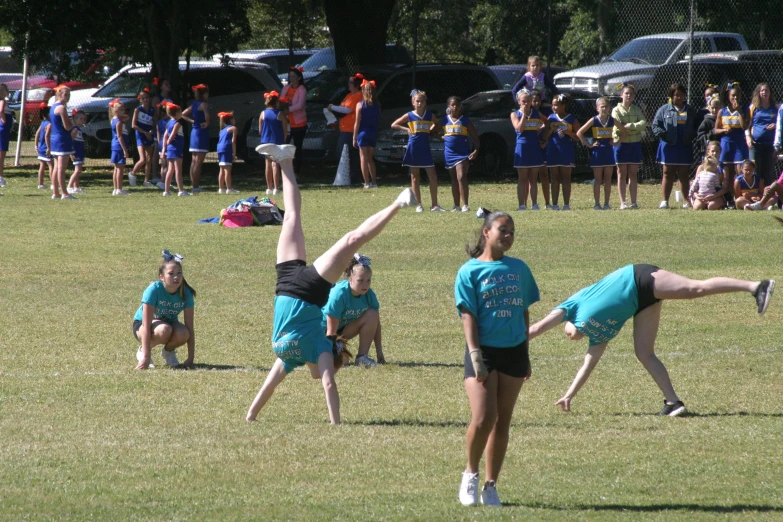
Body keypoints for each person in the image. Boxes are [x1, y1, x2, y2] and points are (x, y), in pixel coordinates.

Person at [246, 143, 418, 425]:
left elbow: (269, 386)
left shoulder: (288, 357)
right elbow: (328, 385)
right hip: (311, 289)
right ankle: (398, 202)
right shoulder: (321, 348)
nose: (320, 374)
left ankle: (285, 162)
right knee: (351, 241)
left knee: (290, 217)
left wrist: (251, 416)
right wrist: (335, 422)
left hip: (285, 282)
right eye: (327, 369)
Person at [528, 265, 774, 416]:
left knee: (693, 290)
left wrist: (506, 340)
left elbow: (538, 328)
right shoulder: (599, 337)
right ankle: (673, 402)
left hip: (636, 278)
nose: (570, 337)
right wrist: (569, 395)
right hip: (640, 304)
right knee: (644, 352)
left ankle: (755, 287)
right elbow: (587, 367)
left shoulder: (571, 307)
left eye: (567, 331)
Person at [455, 211, 539, 507]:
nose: (508, 235)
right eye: (503, 230)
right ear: (486, 232)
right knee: (483, 417)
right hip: (484, 351)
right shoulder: (469, 271)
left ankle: (491, 486)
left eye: (512, 231)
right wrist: (475, 354)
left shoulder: (519, 269)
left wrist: (526, 353)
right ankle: (470, 475)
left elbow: (524, 311)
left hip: (514, 351)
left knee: (502, 421)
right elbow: (468, 315)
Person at [134, 250, 196, 370]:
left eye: (179, 273)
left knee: (184, 333)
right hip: (143, 326)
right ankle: (142, 351)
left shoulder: (186, 293)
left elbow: (190, 328)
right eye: (171, 274)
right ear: (162, 277)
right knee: (164, 330)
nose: (176, 277)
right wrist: (146, 357)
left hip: (168, 323)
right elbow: (146, 326)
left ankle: (168, 352)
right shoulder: (153, 290)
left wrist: (190, 358)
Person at [322, 253, 385, 366]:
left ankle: (362, 357)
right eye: (360, 280)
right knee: (342, 363)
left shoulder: (369, 295)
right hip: (323, 332)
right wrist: (334, 349)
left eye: (368, 280)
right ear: (350, 279)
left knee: (372, 314)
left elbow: (376, 324)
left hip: (341, 331)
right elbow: (331, 331)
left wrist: (379, 352)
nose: (365, 284)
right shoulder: (339, 294)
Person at [391, 89, 443, 212]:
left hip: (425, 148)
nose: (419, 103)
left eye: (421, 101)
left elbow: (436, 125)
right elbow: (394, 124)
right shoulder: (409, 115)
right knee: (415, 176)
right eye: (417, 101)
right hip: (413, 147)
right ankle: (418, 204)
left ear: (425, 102)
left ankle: (435, 205)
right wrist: (406, 129)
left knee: (432, 176)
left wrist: (432, 131)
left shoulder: (430, 115)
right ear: (413, 102)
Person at [652, 82, 699, 209]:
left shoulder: (690, 110)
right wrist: (663, 135)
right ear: (671, 96)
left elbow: (697, 126)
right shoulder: (664, 109)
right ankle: (664, 201)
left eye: (682, 95)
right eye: (676, 95)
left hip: (684, 146)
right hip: (668, 146)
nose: (679, 98)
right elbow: (655, 125)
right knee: (667, 173)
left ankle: (685, 201)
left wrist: (691, 135)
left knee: (684, 174)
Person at [441, 96, 479, 212]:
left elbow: (476, 138)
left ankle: (465, 205)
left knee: (461, 176)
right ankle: (456, 206)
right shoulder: (444, 120)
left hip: (462, 154)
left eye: (457, 105)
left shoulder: (465, 120)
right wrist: (441, 137)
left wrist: (476, 151)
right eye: (452, 105)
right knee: (454, 179)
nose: (455, 107)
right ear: (448, 107)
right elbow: (432, 131)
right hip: (449, 153)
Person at [714, 81, 749, 208]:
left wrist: (739, 111)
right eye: (733, 95)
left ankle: (740, 198)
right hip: (726, 144)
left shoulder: (745, 109)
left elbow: (745, 126)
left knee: (741, 172)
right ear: (728, 96)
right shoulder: (722, 111)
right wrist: (723, 130)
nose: (735, 98)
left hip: (739, 144)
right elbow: (715, 130)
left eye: (737, 95)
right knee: (727, 175)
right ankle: (730, 201)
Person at [511, 89, 546, 210]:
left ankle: (534, 204)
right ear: (519, 102)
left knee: (533, 178)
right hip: (522, 147)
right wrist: (525, 116)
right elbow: (519, 129)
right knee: (523, 177)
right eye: (523, 101)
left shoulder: (536, 113)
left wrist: (542, 131)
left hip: (534, 146)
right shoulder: (515, 114)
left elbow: (546, 122)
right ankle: (522, 204)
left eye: (528, 101)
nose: (526, 104)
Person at [612, 83, 645, 209]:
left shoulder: (636, 109)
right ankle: (623, 202)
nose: (628, 96)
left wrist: (630, 126)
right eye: (626, 93)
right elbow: (618, 127)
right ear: (621, 95)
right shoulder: (616, 110)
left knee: (633, 173)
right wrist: (631, 128)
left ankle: (633, 202)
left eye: (631, 94)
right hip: (621, 144)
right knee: (621, 173)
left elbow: (643, 123)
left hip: (634, 144)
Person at [577, 97, 615, 210]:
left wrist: (616, 141)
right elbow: (579, 133)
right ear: (597, 108)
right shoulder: (594, 120)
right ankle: (597, 204)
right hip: (597, 152)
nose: (604, 108)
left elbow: (623, 131)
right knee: (598, 179)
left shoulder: (612, 120)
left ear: (609, 108)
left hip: (608, 151)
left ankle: (607, 204)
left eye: (606, 106)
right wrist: (589, 145)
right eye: (602, 106)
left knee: (608, 179)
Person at [544, 94, 580, 211]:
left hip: (566, 150)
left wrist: (568, 133)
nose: (554, 107)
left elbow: (578, 136)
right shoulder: (551, 118)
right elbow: (544, 136)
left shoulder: (571, 119)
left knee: (566, 178)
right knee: (554, 178)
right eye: (553, 105)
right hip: (553, 150)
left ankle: (566, 204)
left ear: (563, 106)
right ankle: (554, 204)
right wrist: (551, 130)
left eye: (556, 105)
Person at [329, 73, 365, 184]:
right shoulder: (348, 95)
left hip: (350, 130)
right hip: (344, 128)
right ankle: (351, 178)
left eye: (350, 82)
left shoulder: (358, 95)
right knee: (348, 154)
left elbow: (347, 110)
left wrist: (332, 107)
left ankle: (351, 178)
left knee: (345, 154)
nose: (348, 84)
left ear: (355, 84)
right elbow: (342, 108)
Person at [747, 83, 778, 187]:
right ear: (758, 93)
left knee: (768, 172)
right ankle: (756, 196)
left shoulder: (776, 108)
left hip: (770, 145)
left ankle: (768, 198)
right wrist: (748, 138)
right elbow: (746, 125)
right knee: (756, 171)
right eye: (762, 90)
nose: (764, 92)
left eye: (766, 90)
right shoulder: (753, 108)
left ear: (770, 93)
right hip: (756, 145)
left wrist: (776, 124)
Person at [353, 79, 381, 189]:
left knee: (363, 158)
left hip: (363, 133)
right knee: (370, 158)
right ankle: (374, 182)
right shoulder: (377, 105)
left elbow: (357, 122)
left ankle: (367, 183)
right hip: (373, 133)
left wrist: (354, 137)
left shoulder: (360, 105)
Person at [182, 83, 210, 193]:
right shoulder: (204, 104)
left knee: (194, 161)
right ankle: (196, 186)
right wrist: (207, 123)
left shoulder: (194, 104)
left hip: (194, 131)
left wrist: (192, 121)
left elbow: (183, 114)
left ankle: (194, 185)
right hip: (201, 133)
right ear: (205, 94)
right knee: (198, 161)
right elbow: (208, 116)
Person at [49, 86, 75, 200]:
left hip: (54, 138)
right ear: (59, 95)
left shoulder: (52, 107)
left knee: (56, 167)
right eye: (66, 95)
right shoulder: (61, 108)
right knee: (61, 168)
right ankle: (65, 193)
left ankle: (56, 192)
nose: (68, 97)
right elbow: (67, 127)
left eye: (69, 95)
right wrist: (72, 123)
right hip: (62, 139)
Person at [259, 90, 286, 195]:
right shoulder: (280, 114)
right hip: (277, 141)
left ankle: (268, 188)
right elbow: (285, 130)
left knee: (267, 164)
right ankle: (276, 188)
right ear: (276, 102)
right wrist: (283, 140)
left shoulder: (262, 113)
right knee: (276, 165)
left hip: (265, 141)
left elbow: (260, 130)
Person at [281, 66, 307, 175]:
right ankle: (285, 171)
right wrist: (283, 109)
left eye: (294, 76)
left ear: (299, 78)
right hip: (286, 122)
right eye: (290, 76)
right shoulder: (286, 88)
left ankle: (296, 173)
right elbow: (281, 100)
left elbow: (300, 105)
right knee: (284, 146)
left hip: (298, 123)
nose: (291, 79)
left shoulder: (302, 89)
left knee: (297, 148)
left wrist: (288, 110)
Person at [161, 103, 189, 197]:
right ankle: (181, 190)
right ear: (176, 113)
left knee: (170, 170)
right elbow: (171, 136)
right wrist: (169, 142)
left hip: (170, 149)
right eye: (180, 111)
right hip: (176, 148)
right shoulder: (177, 123)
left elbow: (165, 136)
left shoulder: (169, 123)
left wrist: (164, 148)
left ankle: (166, 191)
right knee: (178, 170)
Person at [131, 89, 157, 188]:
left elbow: (154, 123)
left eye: (147, 98)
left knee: (149, 159)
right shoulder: (137, 109)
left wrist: (151, 131)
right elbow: (133, 125)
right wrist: (145, 132)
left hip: (149, 136)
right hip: (141, 135)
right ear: (140, 100)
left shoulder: (152, 110)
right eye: (143, 98)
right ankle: (132, 173)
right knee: (142, 159)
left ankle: (146, 181)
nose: (146, 100)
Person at [531, 91, 552, 208]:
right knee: (531, 177)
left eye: (538, 100)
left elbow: (547, 123)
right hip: (530, 147)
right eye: (534, 100)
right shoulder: (527, 113)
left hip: (541, 147)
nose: (536, 103)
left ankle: (547, 203)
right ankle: (531, 203)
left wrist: (544, 140)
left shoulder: (540, 113)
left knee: (544, 175)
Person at [109, 99, 131, 196]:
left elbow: (127, 117)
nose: (124, 112)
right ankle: (119, 189)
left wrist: (122, 116)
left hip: (115, 146)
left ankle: (116, 189)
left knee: (116, 168)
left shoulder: (114, 120)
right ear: (116, 111)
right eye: (122, 110)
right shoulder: (118, 122)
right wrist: (125, 150)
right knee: (120, 169)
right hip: (119, 146)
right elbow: (120, 136)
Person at [217, 111, 239, 194]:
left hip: (219, 149)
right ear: (231, 119)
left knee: (221, 169)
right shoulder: (233, 128)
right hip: (227, 148)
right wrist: (234, 154)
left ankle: (221, 188)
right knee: (227, 169)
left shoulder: (222, 130)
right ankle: (229, 189)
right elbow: (233, 142)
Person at [67, 109, 87, 194]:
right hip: (76, 153)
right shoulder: (75, 129)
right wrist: (71, 153)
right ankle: (69, 186)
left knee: (78, 170)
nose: (83, 121)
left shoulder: (79, 129)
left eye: (84, 119)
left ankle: (76, 187)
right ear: (75, 119)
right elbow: (70, 141)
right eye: (80, 119)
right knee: (78, 170)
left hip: (80, 152)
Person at [696, 94, 721, 160]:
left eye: (717, 107)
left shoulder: (723, 120)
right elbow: (700, 137)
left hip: (721, 151)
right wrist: (713, 132)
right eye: (713, 108)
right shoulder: (706, 121)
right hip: (709, 152)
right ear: (709, 108)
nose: (715, 110)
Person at [35, 103, 52, 190]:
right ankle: (53, 184)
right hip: (46, 148)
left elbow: (37, 134)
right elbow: (47, 136)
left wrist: (36, 145)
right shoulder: (50, 124)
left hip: (41, 148)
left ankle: (40, 184)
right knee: (51, 166)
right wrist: (49, 148)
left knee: (42, 166)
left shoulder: (43, 123)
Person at [0, 83, 12, 188]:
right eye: (5, 89)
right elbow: (1, 110)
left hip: (3, 130)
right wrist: (4, 120)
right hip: (3, 130)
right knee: (1, 155)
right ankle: (0, 177)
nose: (7, 91)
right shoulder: (2, 101)